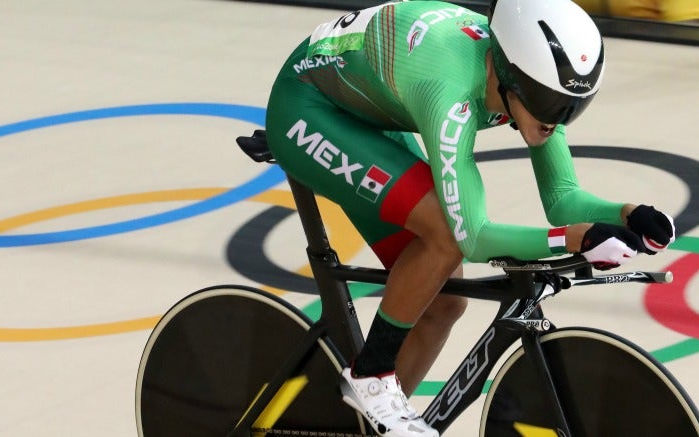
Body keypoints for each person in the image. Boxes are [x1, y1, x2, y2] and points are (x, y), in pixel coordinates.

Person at [264, 0, 676, 436]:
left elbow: (563, 197)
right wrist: (573, 240)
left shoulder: (532, 83)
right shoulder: (451, 91)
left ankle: (370, 426)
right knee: (445, 236)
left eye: (573, 106)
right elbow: (473, 236)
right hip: (309, 106)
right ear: (512, 76)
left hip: (372, 102)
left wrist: (628, 215)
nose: (559, 120)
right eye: (553, 104)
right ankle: (371, 373)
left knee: (442, 302)